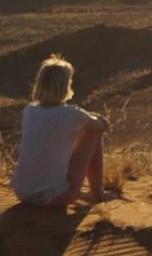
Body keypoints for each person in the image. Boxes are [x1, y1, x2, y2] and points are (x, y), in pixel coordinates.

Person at [9, 54, 116, 206]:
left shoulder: (29, 110)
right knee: (93, 133)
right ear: (65, 85)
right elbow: (102, 126)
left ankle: (82, 193)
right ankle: (98, 194)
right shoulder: (71, 114)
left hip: (22, 193)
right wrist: (94, 117)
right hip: (53, 198)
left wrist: (83, 118)